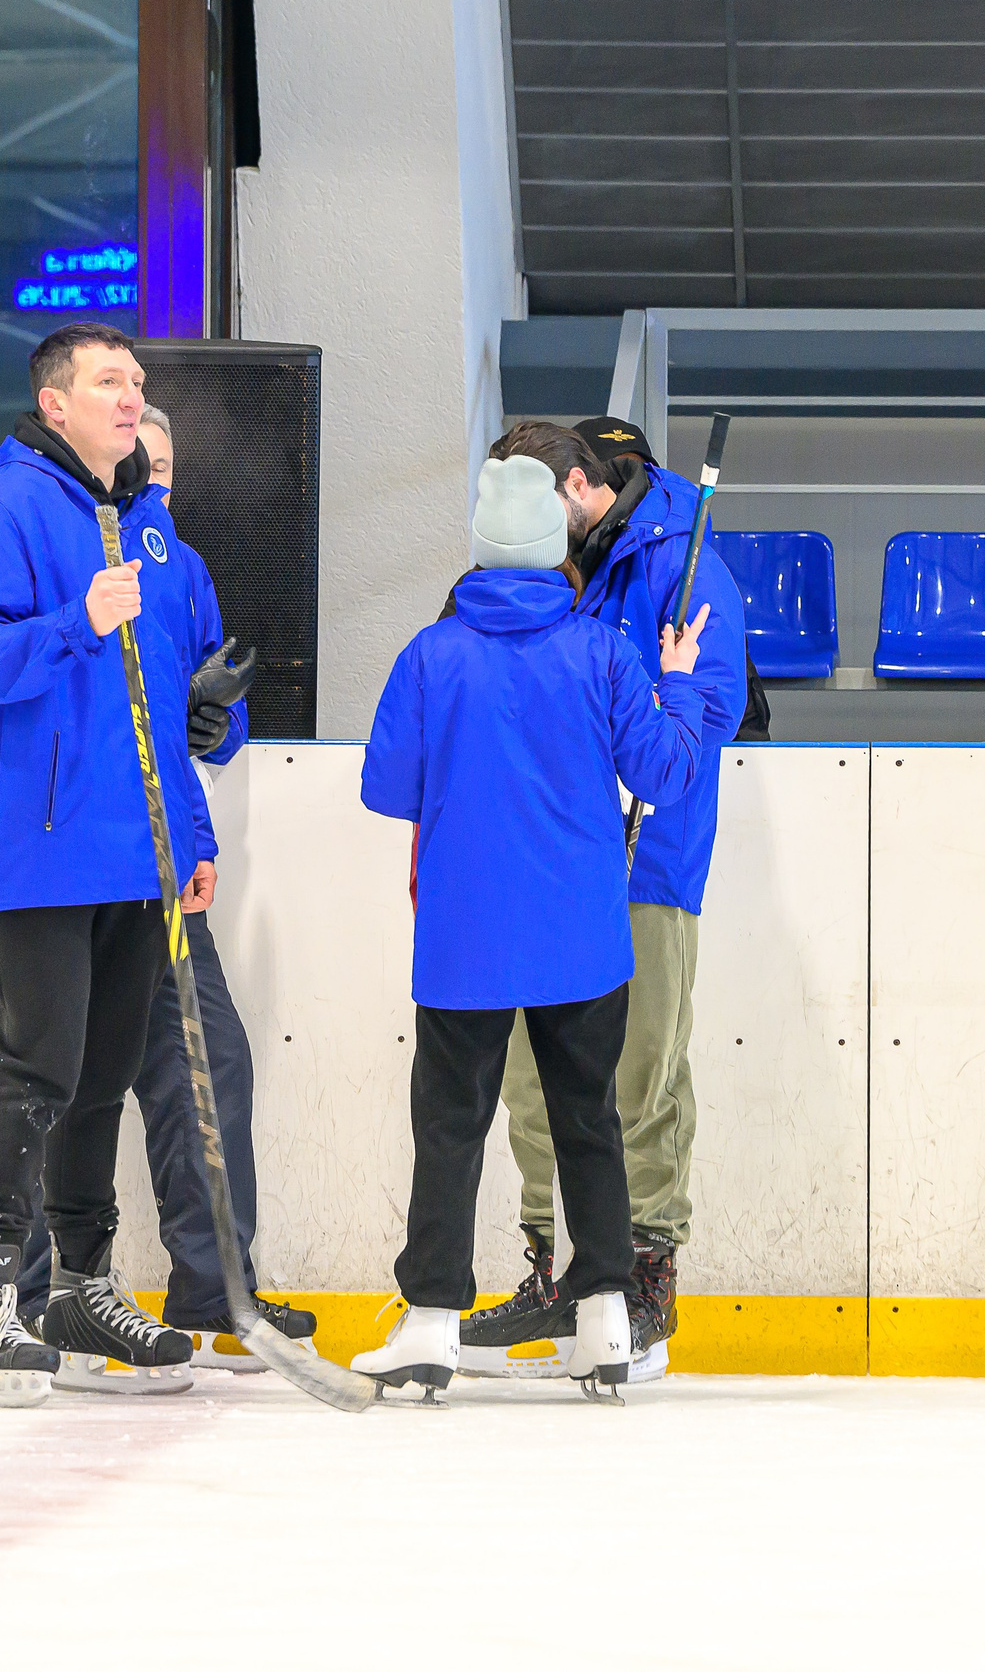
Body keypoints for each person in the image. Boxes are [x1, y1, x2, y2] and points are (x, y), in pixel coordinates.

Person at [0, 322, 254, 1406]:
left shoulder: (153, 535)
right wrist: (73, 619)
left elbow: (168, 708)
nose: (132, 395)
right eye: (110, 381)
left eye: (138, 381)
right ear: (55, 402)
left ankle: (79, 1286)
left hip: (139, 853)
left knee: (105, 1078)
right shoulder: (4, 510)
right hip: (43, 841)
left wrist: (194, 835)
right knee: (38, 1068)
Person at [352, 453, 713, 1403]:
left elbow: (383, 784)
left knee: (450, 1128)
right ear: (555, 548)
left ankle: (429, 1321)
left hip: (465, 937)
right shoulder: (602, 652)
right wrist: (677, 681)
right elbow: (669, 771)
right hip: (582, 935)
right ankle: (602, 1319)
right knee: (587, 1121)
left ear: (479, 548)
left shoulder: (431, 653)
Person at [7, 401, 309, 1373]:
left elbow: (195, 720)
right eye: (147, 461)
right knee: (55, 1076)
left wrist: (213, 745)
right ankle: (26, 1292)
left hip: (158, 865)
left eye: (172, 466)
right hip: (73, 866)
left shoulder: (183, 568)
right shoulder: (57, 543)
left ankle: (211, 1282)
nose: (159, 478)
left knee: (204, 1063)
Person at [453, 416, 748, 1384]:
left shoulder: (681, 557)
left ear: (578, 485)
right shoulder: (545, 562)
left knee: (638, 1070)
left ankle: (642, 1283)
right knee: (536, 1076)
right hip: (550, 856)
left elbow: (715, 700)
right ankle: (556, 1266)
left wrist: (657, 714)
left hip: (649, 856)